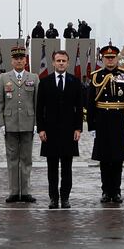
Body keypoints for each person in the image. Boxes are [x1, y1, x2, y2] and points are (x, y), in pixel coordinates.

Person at [87, 43, 124, 204]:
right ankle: (106, 191)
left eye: (112, 57)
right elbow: (90, 103)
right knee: (104, 158)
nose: (110, 60)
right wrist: (92, 126)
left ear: (117, 58)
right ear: (102, 59)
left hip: (120, 120)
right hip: (102, 120)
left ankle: (117, 191)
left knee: (118, 159)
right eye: (107, 58)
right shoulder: (96, 76)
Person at [36, 49, 84, 208]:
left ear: (68, 63)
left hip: (69, 131)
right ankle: (53, 198)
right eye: (58, 60)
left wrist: (78, 128)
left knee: (67, 167)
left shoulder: (75, 82)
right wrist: (41, 129)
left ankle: (65, 198)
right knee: (52, 168)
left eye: (64, 61)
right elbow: (39, 108)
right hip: (50, 131)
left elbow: (79, 107)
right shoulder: (44, 82)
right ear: (53, 62)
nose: (61, 63)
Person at [0, 44, 38, 203]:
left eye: (22, 58)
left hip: (28, 123)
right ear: (12, 60)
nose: (19, 61)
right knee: (12, 159)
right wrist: (1, 123)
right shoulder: (4, 78)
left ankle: (26, 191)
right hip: (10, 123)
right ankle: (14, 192)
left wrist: (36, 123)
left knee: (26, 159)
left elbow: (37, 102)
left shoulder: (33, 78)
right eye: (16, 58)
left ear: (25, 60)